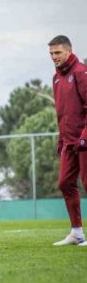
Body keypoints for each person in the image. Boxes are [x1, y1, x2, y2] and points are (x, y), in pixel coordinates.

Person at [49, 35, 87, 246]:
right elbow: (62, 113)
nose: (54, 57)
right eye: (51, 53)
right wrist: (61, 139)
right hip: (68, 141)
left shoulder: (81, 72)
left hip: (84, 140)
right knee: (65, 183)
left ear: (69, 51)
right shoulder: (56, 78)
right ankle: (77, 233)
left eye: (57, 52)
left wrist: (84, 136)